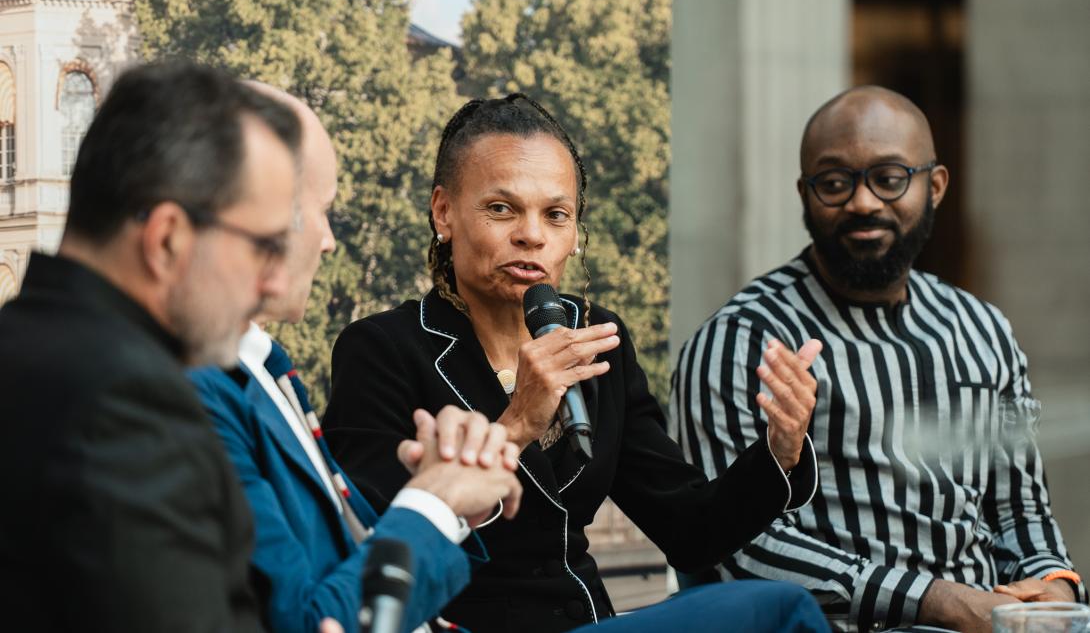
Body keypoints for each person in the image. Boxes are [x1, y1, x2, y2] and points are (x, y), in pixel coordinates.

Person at [322, 94, 828, 633]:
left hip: (588, 621)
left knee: (774, 610)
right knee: (781, 614)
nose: (532, 235)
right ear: (443, 212)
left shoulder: (595, 340)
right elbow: (376, 547)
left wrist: (781, 450)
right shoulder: (380, 349)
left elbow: (690, 528)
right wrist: (517, 423)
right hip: (463, 624)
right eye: (501, 209)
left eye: (556, 215)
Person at [669, 85, 1086, 633]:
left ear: (934, 186)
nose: (863, 202)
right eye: (836, 183)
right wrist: (938, 602)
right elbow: (733, 545)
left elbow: (1019, 508)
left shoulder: (983, 330)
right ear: (805, 193)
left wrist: (1051, 587)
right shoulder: (741, 342)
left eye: (889, 179)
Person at [189, 86, 525, 633]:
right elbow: (313, 620)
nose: (327, 241)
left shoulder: (264, 367)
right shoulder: (200, 387)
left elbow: (356, 547)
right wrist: (437, 501)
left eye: (558, 214)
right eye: (320, 211)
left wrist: (453, 488)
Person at [0, 61, 302, 630]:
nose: (276, 283)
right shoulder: (128, 407)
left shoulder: (24, 348)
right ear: (167, 238)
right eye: (265, 247)